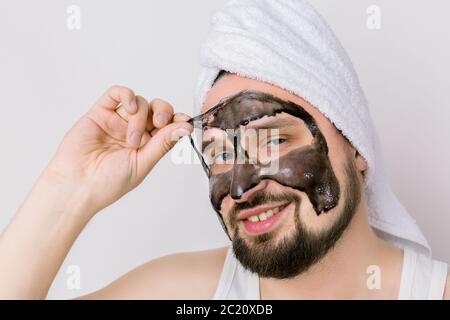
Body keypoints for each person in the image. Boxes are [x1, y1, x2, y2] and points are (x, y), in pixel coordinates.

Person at [0, 0, 448, 300]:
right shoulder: (188, 296)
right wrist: (69, 188)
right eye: (219, 154)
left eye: (273, 141)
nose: (239, 186)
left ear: (356, 147)